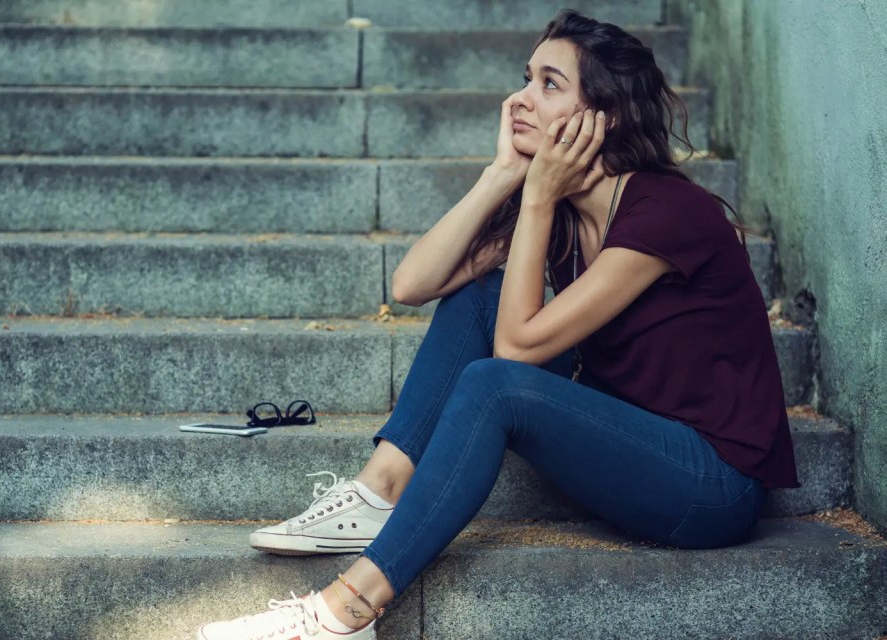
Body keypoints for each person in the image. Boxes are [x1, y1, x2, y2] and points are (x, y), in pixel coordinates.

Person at [196, 9, 800, 640]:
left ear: (606, 115)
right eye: (525, 78)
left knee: (494, 385)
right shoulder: (564, 211)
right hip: (632, 439)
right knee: (481, 293)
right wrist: (505, 174)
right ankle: (380, 491)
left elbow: (514, 352)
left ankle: (344, 612)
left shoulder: (667, 211)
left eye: (549, 84)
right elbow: (412, 285)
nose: (518, 99)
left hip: (710, 484)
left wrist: (536, 194)